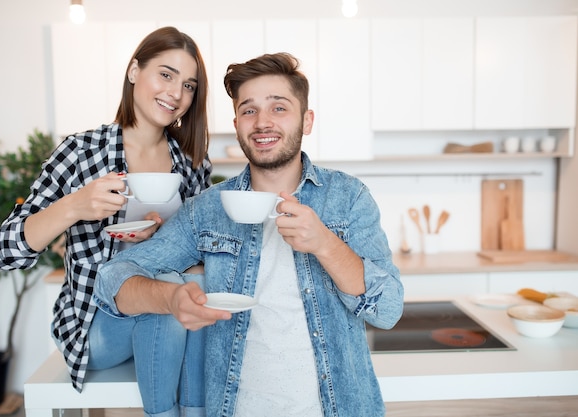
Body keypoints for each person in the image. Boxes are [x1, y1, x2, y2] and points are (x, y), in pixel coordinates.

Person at [94, 52, 404, 417]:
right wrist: (171, 299)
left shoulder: (347, 198)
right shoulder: (206, 210)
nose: (262, 123)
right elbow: (113, 279)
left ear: (307, 121)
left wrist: (324, 243)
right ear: (237, 123)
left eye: (279, 108)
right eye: (249, 110)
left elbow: (387, 310)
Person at [0, 26, 212, 417]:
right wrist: (75, 205)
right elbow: (5, 251)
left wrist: (164, 239)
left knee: (181, 288)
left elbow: (198, 258)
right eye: (165, 74)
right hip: (94, 327)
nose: (176, 94)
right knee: (169, 295)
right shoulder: (82, 151)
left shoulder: (192, 165)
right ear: (133, 71)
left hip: (165, 316)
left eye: (189, 85)